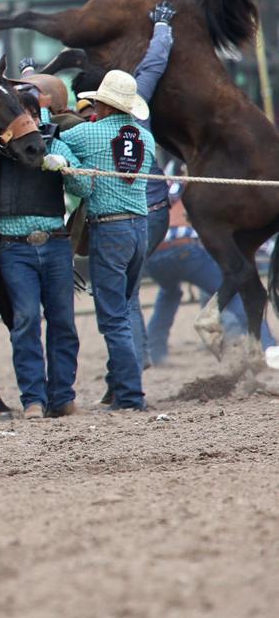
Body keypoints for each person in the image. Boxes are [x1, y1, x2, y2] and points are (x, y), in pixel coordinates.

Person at [51, 69, 157, 412]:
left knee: (113, 318)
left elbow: (53, 142)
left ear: (104, 105)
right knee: (125, 310)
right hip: (140, 227)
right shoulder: (146, 138)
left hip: (109, 230)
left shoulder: (88, 134)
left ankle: (129, 395)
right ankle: (122, 387)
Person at [0, 75, 83, 419]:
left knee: (64, 323)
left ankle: (62, 396)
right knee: (26, 320)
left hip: (55, 244)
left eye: (29, 113)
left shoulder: (55, 144)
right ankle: (33, 399)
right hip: (15, 249)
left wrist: (69, 170)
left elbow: (85, 188)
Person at [146, 192, 274, 363]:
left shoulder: (161, 187)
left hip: (153, 255)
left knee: (168, 294)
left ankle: (155, 352)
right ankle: (267, 344)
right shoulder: (192, 186)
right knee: (235, 295)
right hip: (185, 251)